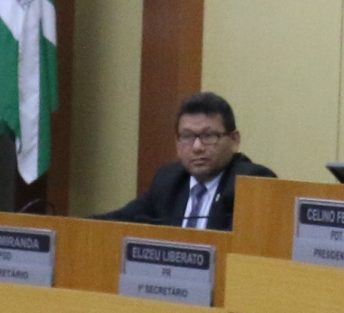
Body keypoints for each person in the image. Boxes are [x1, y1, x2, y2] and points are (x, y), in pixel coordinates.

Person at [104, 93, 273, 229]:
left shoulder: (253, 184)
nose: (197, 147)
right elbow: (122, 220)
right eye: (187, 136)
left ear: (234, 140)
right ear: (177, 143)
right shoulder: (168, 180)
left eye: (209, 136)